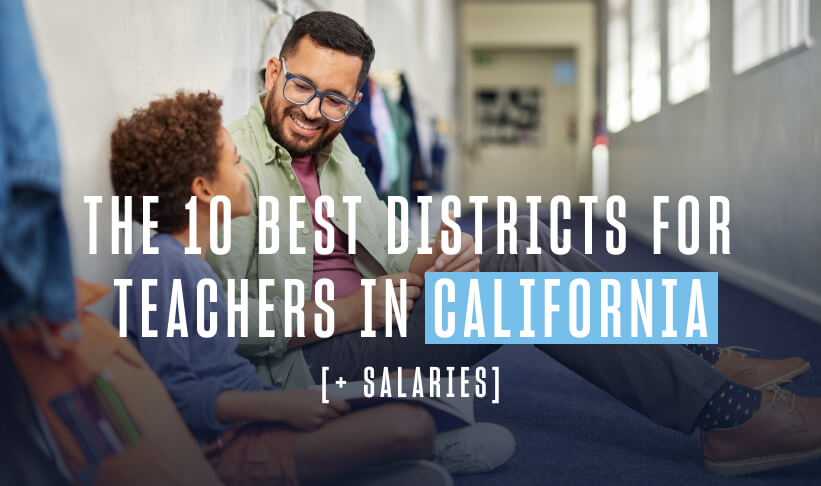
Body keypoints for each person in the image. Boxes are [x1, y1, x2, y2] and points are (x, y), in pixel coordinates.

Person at [208, 11, 821, 476]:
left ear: (355, 99)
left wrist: (442, 258)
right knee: (518, 269)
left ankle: (702, 358)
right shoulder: (232, 165)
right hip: (310, 362)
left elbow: (396, 258)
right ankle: (725, 414)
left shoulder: (334, 150)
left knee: (514, 239)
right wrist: (362, 307)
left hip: (378, 317)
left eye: (337, 98)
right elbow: (228, 327)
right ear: (273, 73)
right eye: (302, 88)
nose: (315, 112)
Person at [109, 91, 515, 486]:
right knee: (409, 426)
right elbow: (177, 398)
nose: (246, 170)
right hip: (226, 447)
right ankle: (399, 456)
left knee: (415, 392)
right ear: (203, 189)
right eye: (235, 162)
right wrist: (284, 405)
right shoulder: (161, 267)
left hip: (258, 414)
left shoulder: (187, 263)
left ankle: (386, 459)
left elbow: (223, 377)